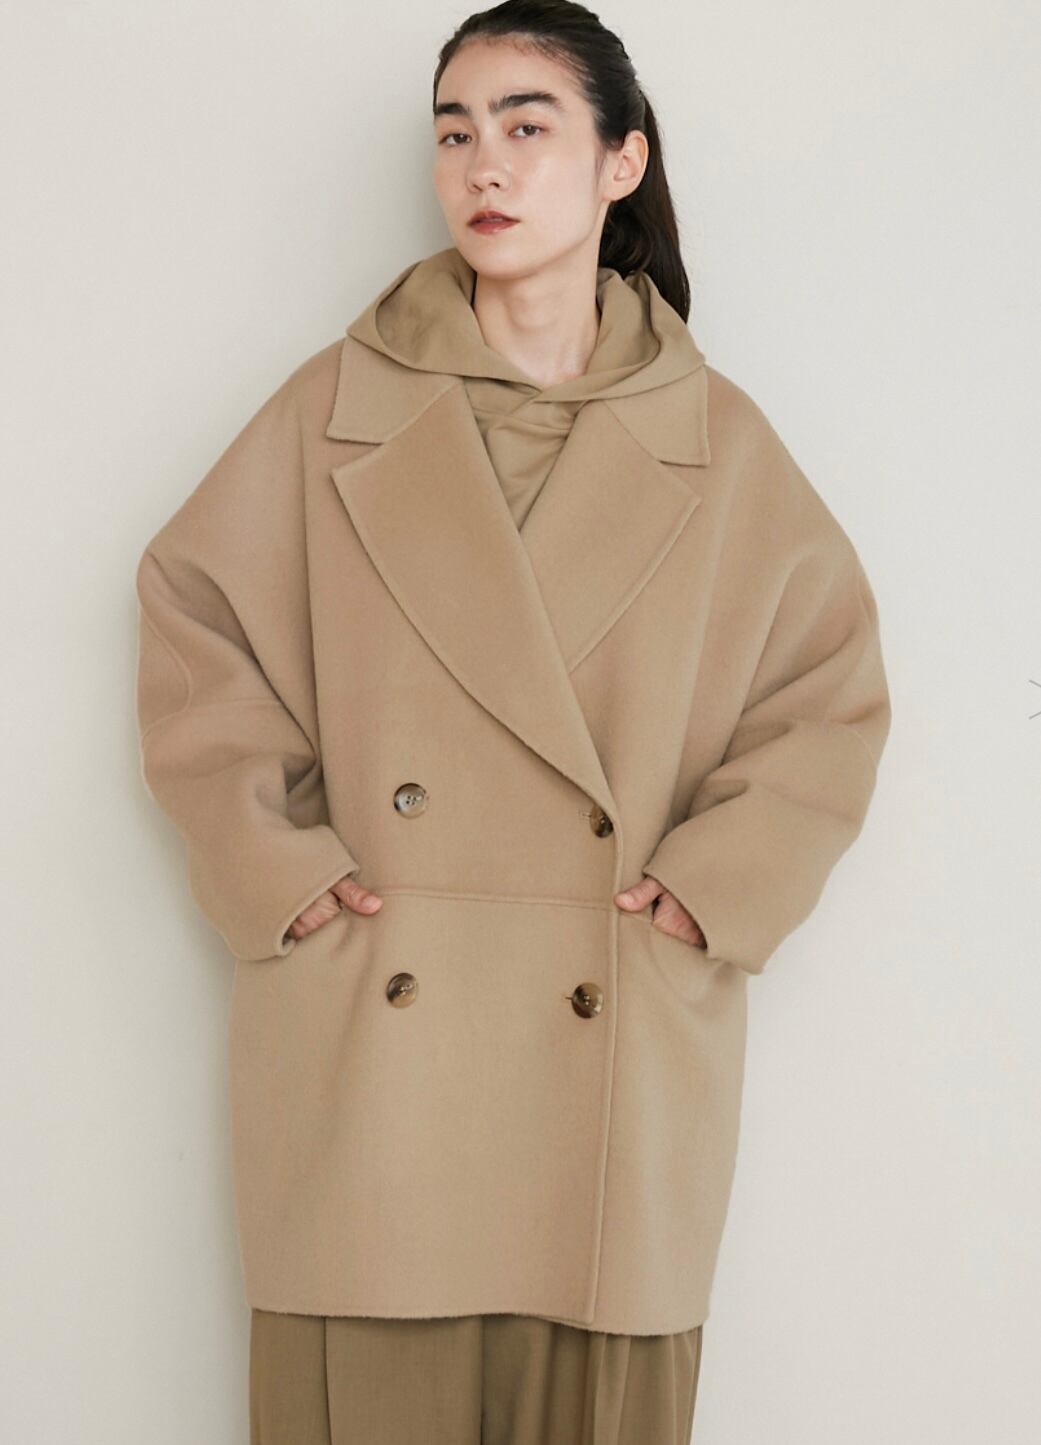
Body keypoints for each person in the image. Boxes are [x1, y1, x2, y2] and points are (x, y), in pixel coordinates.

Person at [133, 2, 892, 1441]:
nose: (482, 164)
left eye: (526, 126)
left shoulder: (717, 442)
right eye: (455, 132)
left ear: (621, 163)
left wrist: (716, 889)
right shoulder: (334, 410)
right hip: (374, 1031)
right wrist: (272, 868)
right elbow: (193, 624)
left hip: (609, 1041)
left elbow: (827, 693)